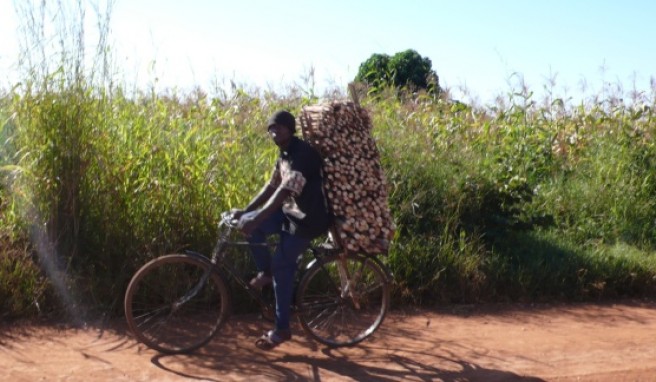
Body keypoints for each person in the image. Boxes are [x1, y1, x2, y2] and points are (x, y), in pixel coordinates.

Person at [231, 110, 332, 350]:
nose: (274, 132)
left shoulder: (303, 155)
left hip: (308, 220)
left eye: (278, 127)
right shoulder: (284, 155)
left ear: (290, 129)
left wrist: (256, 218)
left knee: (282, 268)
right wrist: (246, 212)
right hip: (290, 213)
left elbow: (285, 191)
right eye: (271, 128)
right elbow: (271, 186)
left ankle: (282, 328)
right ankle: (267, 272)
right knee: (251, 230)